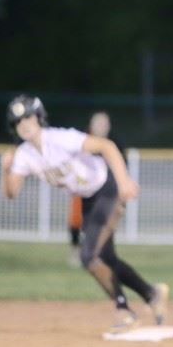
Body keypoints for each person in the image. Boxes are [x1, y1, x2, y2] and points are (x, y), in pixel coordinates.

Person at [0, 95, 169, 334]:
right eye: (18, 121)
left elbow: (106, 146)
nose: (24, 124)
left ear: (39, 118)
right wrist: (6, 170)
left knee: (89, 256)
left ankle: (125, 311)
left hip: (107, 188)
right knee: (106, 259)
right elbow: (11, 192)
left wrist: (123, 182)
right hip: (89, 199)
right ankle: (152, 294)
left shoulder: (60, 138)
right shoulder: (25, 155)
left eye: (28, 117)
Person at [67, 111, 116, 267]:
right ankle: (80, 251)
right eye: (100, 124)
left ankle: (101, 255)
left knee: (105, 225)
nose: (103, 127)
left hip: (105, 194)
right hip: (84, 191)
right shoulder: (84, 140)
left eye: (105, 124)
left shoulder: (113, 144)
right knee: (77, 219)